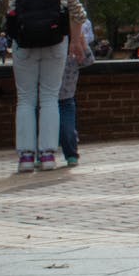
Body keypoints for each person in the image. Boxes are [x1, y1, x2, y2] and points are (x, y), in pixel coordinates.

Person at [0, 0, 87, 173]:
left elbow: (5, 7)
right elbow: (77, 12)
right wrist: (75, 41)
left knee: (25, 98)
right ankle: (48, 154)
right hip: (55, 40)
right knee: (50, 97)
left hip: (23, 42)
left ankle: (26, 156)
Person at [57, 17, 96, 167]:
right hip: (65, 95)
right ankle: (70, 154)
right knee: (67, 128)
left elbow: (88, 60)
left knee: (65, 128)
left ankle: (47, 154)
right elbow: (88, 60)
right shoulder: (75, 42)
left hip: (62, 95)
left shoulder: (71, 45)